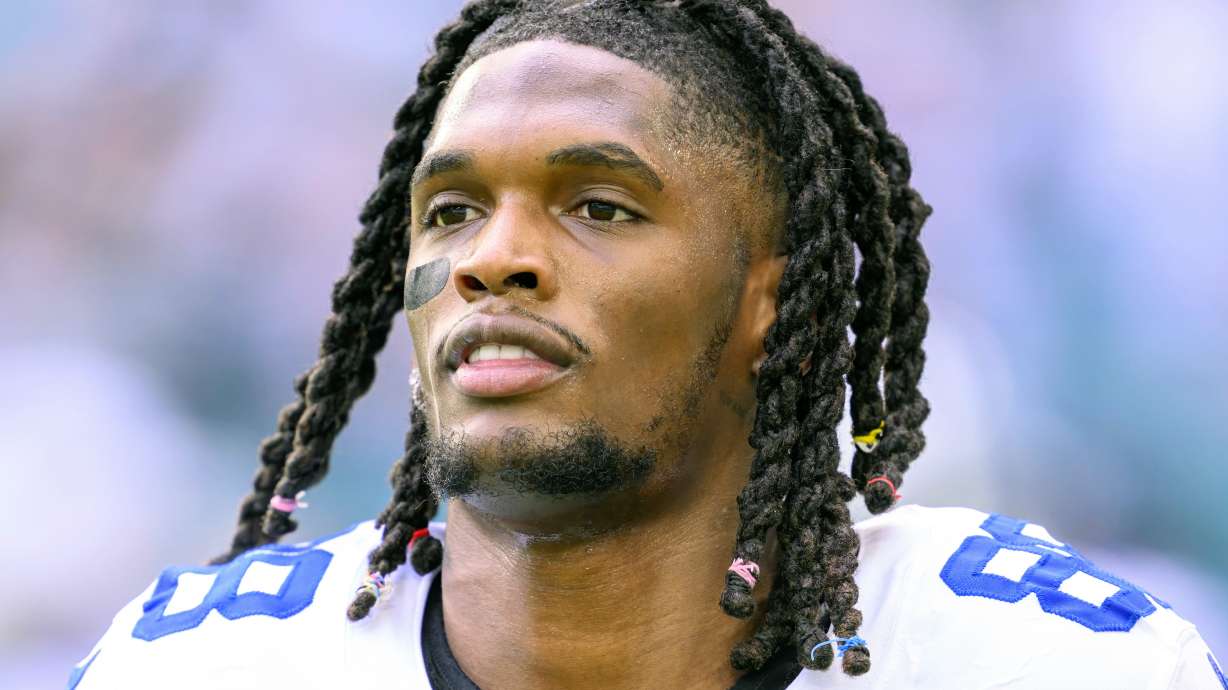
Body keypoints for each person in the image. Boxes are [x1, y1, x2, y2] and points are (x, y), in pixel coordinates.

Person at [68, 1, 1223, 688]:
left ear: (771, 299)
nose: (492, 260)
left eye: (599, 207)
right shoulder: (196, 671)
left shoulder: (1050, 670)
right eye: (451, 211)